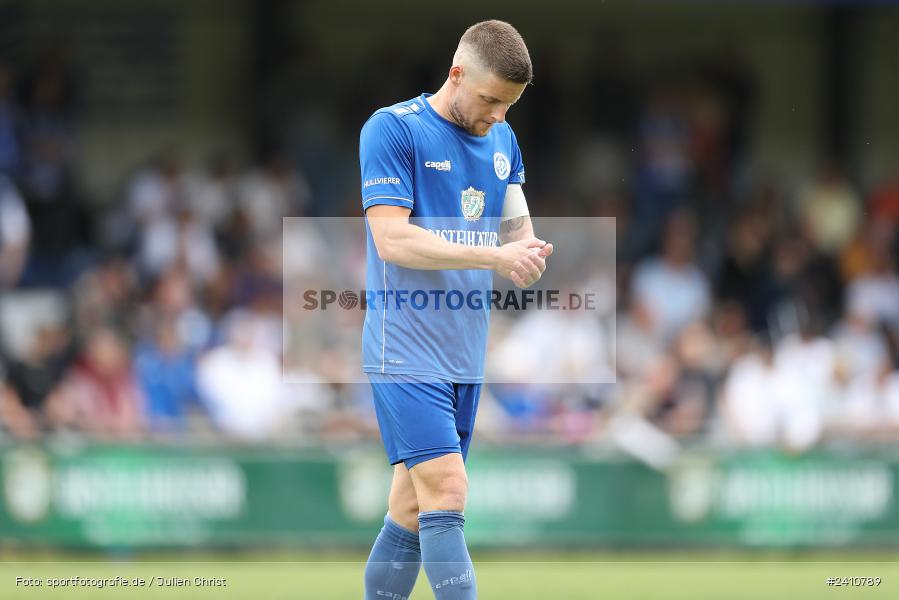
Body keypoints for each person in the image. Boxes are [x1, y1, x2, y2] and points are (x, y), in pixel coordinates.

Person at [358, 20, 552, 600]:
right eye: (490, 99)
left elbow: (518, 229)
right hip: (406, 348)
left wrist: (528, 253)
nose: (497, 114)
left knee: (412, 509)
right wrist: (495, 256)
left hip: (464, 351)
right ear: (456, 73)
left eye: (509, 105)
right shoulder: (392, 130)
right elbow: (392, 240)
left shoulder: (504, 139)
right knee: (447, 492)